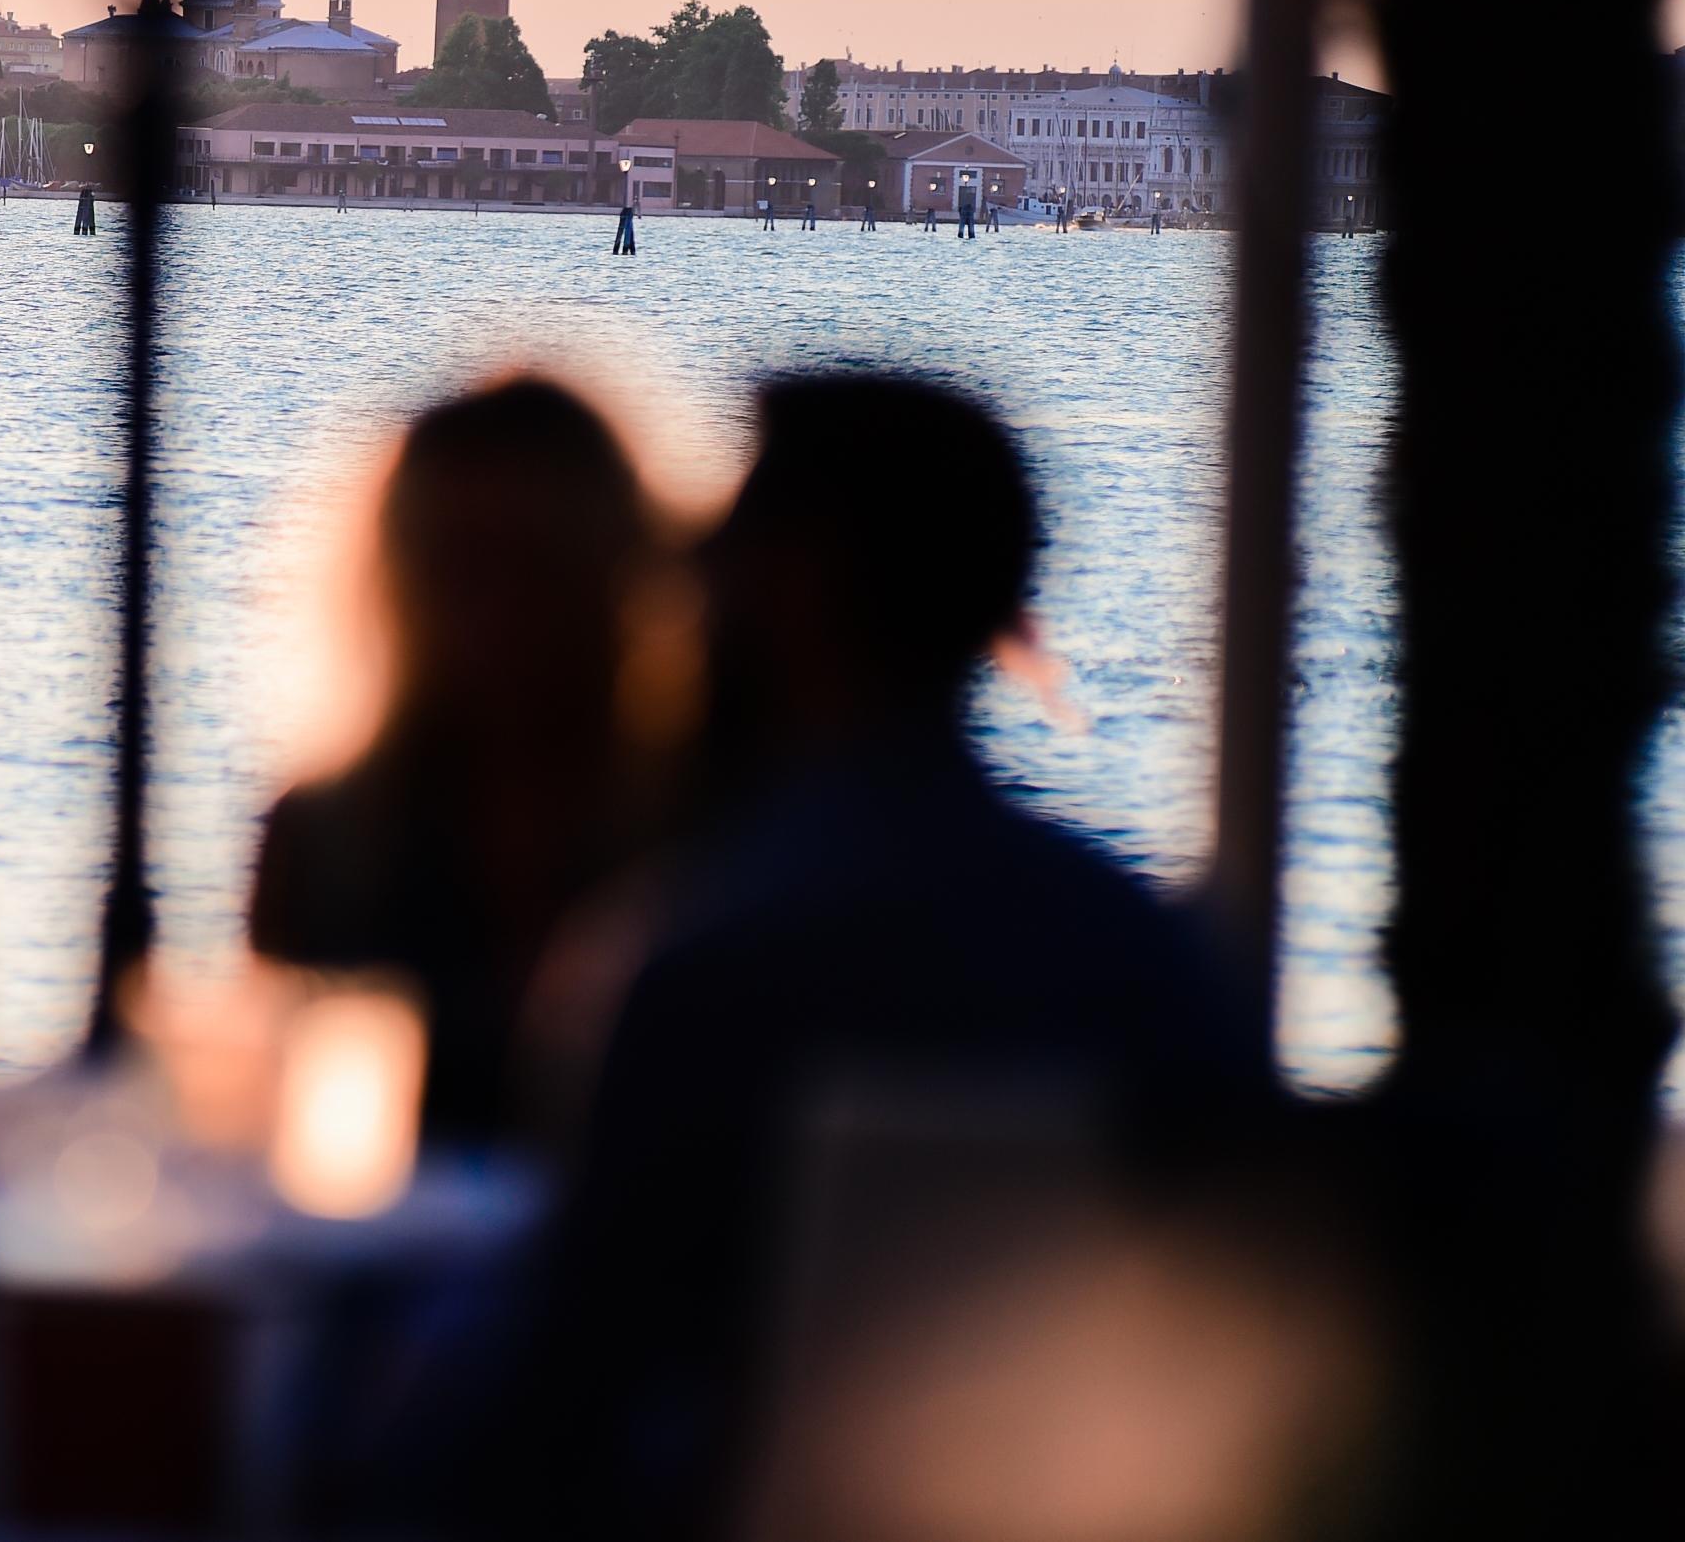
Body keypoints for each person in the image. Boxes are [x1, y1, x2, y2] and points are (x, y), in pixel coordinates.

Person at [516, 375, 1265, 1537]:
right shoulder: (1148, 956)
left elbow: (562, 1406)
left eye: (726, 546)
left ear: (792, 588)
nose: (691, 585)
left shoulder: (698, 965)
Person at [248, 377, 685, 1149]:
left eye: (533, 566)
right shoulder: (325, 837)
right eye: (456, 564)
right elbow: (290, 1137)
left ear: (616, 577)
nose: (494, 613)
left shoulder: (707, 836)